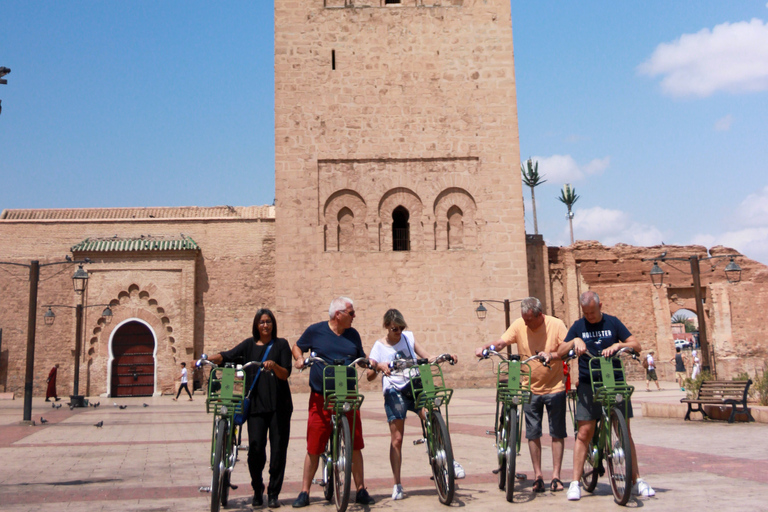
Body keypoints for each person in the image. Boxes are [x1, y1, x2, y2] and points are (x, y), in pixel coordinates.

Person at [559, 291, 655, 501]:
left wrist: (619, 345)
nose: (590, 316)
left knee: (624, 433)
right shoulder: (578, 326)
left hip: (615, 382)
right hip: (588, 383)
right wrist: (574, 341)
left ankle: (637, 480)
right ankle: (575, 482)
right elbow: (560, 351)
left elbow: (636, 345)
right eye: (586, 313)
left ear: (600, 305)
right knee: (584, 432)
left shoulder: (613, 323)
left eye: (593, 312)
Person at [367, 309, 462, 501]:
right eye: (395, 328)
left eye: (401, 328)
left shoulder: (408, 338)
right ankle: (397, 484)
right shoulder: (379, 346)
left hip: (415, 384)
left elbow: (426, 356)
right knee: (398, 438)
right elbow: (369, 376)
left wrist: (444, 356)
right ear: (386, 326)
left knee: (432, 414)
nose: (399, 332)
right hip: (394, 390)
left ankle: (447, 459)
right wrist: (378, 366)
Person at [475, 297, 567, 493]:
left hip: (555, 387)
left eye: (529, 320)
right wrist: (486, 348)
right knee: (533, 433)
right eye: (523, 319)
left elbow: (566, 349)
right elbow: (501, 342)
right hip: (529, 387)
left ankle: (557, 476)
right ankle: (539, 476)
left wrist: (552, 355)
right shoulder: (519, 325)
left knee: (557, 433)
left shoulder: (556, 325)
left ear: (540, 315)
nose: (525, 323)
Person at [291, 297, 375, 508]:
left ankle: (361, 488)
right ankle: (305, 491)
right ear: (338, 314)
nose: (354, 316)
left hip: (347, 395)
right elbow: (297, 347)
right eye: (351, 312)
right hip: (321, 397)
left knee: (355, 444)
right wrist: (299, 359)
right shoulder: (316, 331)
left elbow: (360, 355)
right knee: (314, 446)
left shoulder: (353, 335)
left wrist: (370, 361)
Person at [206, 308, 293, 508]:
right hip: (256, 406)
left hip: (280, 406)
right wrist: (205, 359)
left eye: (268, 321)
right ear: (256, 324)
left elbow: (285, 373)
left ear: (273, 324)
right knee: (255, 449)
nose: (265, 325)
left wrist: (274, 365)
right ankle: (257, 488)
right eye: (261, 322)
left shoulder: (281, 345)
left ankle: (273, 493)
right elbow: (227, 356)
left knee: (278, 450)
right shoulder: (248, 346)